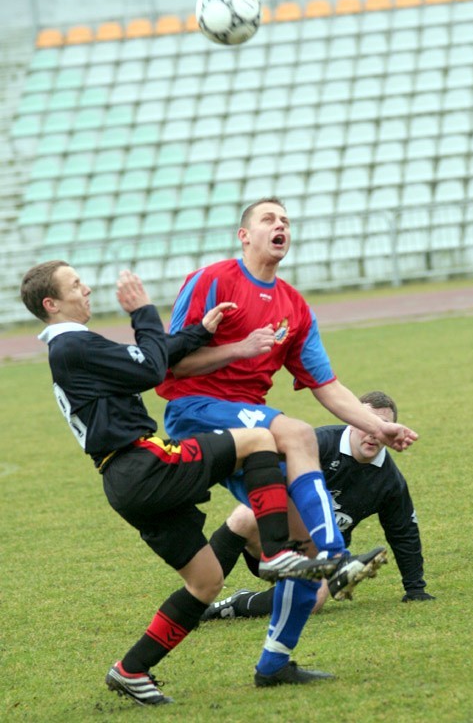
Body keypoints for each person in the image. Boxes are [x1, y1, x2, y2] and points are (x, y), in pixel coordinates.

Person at [20, 261, 340, 707]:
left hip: (124, 483)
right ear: (51, 304)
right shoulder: (73, 345)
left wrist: (200, 333)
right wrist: (143, 310)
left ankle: (132, 669)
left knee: (206, 581)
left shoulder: (73, 346)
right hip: (144, 462)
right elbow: (153, 369)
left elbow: (152, 357)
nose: (87, 289)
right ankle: (277, 552)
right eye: (76, 285)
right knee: (259, 438)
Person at [156, 197, 419, 685]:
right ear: (244, 235)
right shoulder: (212, 280)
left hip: (250, 432)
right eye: (269, 220)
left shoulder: (294, 306)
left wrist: (377, 426)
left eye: (286, 222)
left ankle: (273, 663)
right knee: (297, 433)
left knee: (303, 553)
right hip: (194, 411)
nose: (280, 227)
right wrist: (239, 347)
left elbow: (327, 385)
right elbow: (168, 365)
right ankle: (339, 553)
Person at [201, 390, 435, 621]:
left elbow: (404, 532)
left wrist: (415, 589)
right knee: (246, 513)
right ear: (351, 421)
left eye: (382, 426)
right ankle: (196, 598)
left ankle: (235, 604)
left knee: (313, 601)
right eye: (368, 423)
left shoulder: (389, 482)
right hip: (274, 543)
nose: (374, 433)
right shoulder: (318, 444)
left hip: (320, 558)